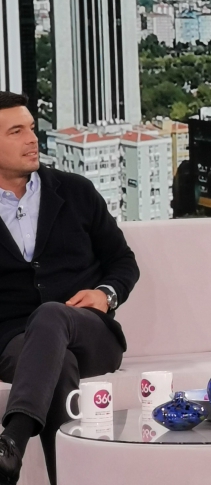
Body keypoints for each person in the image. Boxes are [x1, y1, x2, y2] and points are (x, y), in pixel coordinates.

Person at [0, 92, 140, 485]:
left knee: (51, 314)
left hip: (89, 332)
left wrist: (105, 294)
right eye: (16, 131)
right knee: (57, 364)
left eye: (31, 128)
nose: (32, 139)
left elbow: (123, 261)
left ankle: (11, 442)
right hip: (15, 343)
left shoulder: (75, 191)